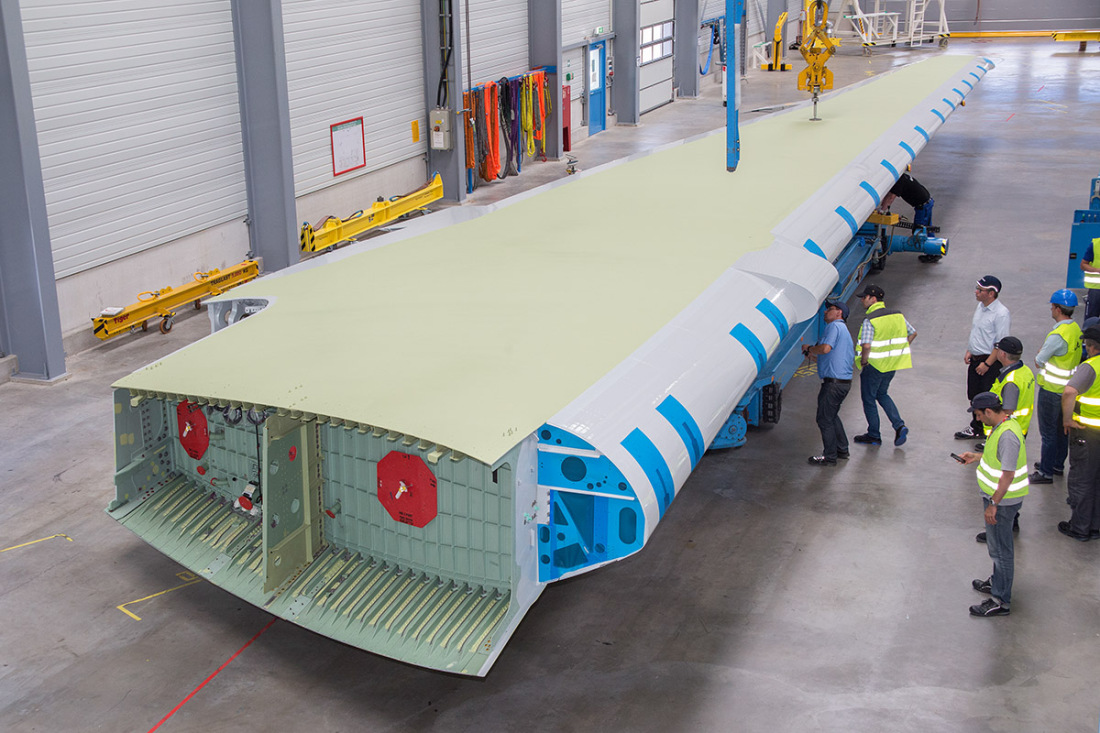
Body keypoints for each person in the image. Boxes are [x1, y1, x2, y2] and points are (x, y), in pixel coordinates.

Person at [958, 392, 1028, 617]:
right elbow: (997, 458)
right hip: (998, 499)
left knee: (1001, 551)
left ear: (989, 411)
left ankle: (1001, 600)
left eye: (979, 415)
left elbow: (1007, 474)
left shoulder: (1007, 436)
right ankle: (997, 581)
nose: (978, 420)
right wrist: (976, 457)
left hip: (1002, 502)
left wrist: (993, 504)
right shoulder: (1004, 425)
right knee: (997, 548)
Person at [974, 336, 1034, 543]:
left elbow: (1006, 410)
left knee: (1004, 475)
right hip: (1020, 430)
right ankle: (1009, 521)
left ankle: (1003, 523)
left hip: (1006, 435)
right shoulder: (1023, 371)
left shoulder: (1010, 382)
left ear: (1001, 354)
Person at [853, 283, 915, 447]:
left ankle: (874, 435)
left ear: (872, 299)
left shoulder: (870, 319)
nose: (862, 301)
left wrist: (864, 361)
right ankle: (899, 425)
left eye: (864, 298)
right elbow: (913, 333)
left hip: (874, 366)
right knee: (882, 394)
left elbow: (866, 345)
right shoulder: (897, 315)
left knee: (868, 399)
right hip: (891, 365)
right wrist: (899, 350)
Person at [1033, 289, 1083, 484]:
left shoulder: (1057, 334)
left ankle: (1045, 472)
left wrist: (1041, 352)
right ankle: (1056, 464)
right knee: (1063, 429)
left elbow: (1039, 360)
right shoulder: (1075, 330)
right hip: (1068, 390)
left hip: (1051, 390)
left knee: (1048, 432)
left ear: (1056, 308)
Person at [955, 276, 1011, 441]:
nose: (976, 292)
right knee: (974, 395)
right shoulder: (980, 307)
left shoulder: (1001, 314)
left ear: (992, 293)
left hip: (989, 362)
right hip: (975, 358)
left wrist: (987, 364)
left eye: (980, 290)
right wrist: (970, 350)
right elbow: (977, 332)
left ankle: (990, 434)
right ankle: (976, 428)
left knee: (987, 398)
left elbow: (1000, 343)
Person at [1059, 326, 1100, 542]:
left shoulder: (1090, 367)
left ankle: (1080, 527)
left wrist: (1067, 419)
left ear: (1091, 346)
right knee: (1097, 478)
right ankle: (1095, 526)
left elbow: (1069, 392)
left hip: (1087, 432)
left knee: (1082, 479)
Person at [804, 300, 854, 466]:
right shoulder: (843, 331)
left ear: (839, 313)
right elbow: (830, 356)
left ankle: (829, 456)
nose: (825, 312)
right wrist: (812, 355)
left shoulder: (834, 327)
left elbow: (825, 348)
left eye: (830, 309)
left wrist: (810, 348)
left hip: (833, 384)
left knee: (824, 419)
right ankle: (842, 449)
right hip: (843, 383)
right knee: (831, 416)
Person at [879, 172, 936, 262]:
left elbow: (890, 197)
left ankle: (932, 252)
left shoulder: (897, 182)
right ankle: (933, 251)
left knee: (918, 232)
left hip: (922, 206)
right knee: (927, 228)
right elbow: (889, 195)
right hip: (927, 202)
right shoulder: (902, 176)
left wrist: (881, 211)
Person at [1080, 237, 1100, 321]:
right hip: (1096, 289)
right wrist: (1097, 270)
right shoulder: (1095, 245)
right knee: (1091, 320)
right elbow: (1083, 265)